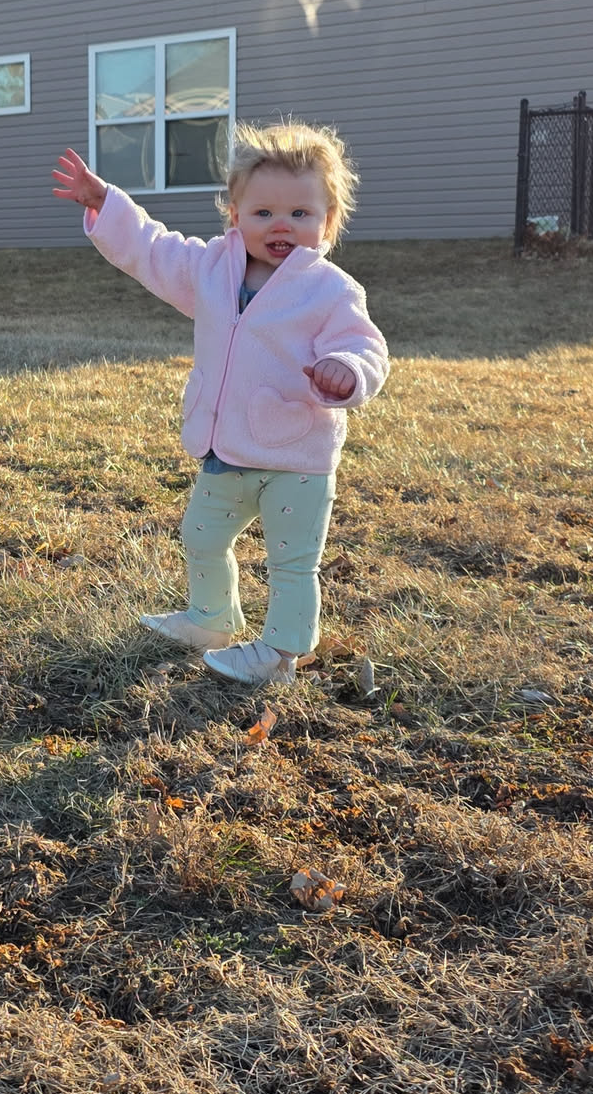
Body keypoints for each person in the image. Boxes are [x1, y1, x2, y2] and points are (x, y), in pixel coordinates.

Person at [51, 122, 388, 684]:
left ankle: (281, 654)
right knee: (201, 537)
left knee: (291, 562)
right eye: (263, 212)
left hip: (297, 459)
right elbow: (153, 249)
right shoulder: (210, 270)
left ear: (328, 220)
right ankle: (211, 618)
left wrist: (347, 371)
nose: (281, 225)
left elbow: (365, 347)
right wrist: (106, 203)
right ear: (235, 215)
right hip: (226, 448)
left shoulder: (331, 290)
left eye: (299, 213)